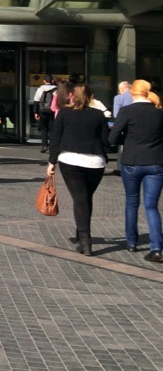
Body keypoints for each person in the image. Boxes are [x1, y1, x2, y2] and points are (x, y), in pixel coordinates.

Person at [48, 83, 110, 256]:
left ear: (72, 96)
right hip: (95, 162)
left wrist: (52, 162)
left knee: (80, 199)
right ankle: (81, 236)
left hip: (70, 160)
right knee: (86, 197)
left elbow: (56, 138)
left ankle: (85, 241)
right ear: (91, 97)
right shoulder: (98, 115)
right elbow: (106, 140)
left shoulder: (64, 113)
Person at [108, 79, 163, 261]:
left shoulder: (127, 111)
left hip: (131, 161)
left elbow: (112, 138)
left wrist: (128, 140)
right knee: (151, 206)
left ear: (132, 92)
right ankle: (156, 247)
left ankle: (131, 242)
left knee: (132, 202)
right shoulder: (159, 111)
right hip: (155, 162)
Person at [33, 75, 57, 153]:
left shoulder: (40, 89)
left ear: (44, 81)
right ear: (52, 81)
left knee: (44, 129)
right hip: (52, 111)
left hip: (42, 111)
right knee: (52, 129)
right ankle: (52, 146)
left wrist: (36, 112)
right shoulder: (56, 89)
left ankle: (44, 145)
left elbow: (36, 101)